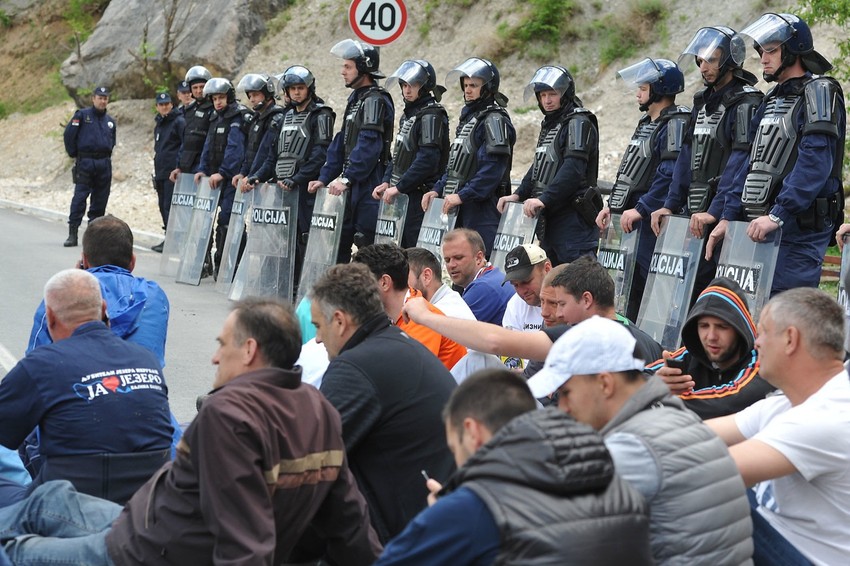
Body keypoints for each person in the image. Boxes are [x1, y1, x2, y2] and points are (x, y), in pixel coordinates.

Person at [0, 298, 382, 565]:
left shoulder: (230, 416)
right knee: (50, 498)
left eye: (221, 345)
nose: (215, 357)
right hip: (147, 524)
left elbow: (243, 542)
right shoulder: (319, 410)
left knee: (16, 552)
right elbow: (349, 521)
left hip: (144, 551)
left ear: (249, 350)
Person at [527, 316, 753, 564]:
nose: (562, 408)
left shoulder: (632, 447)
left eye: (566, 393)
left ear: (604, 383)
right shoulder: (667, 415)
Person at [375, 369, 652, 565]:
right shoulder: (617, 484)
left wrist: (442, 515)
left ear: (472, 433)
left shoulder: (470, 508)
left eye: (454, 448)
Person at [309, 263, 457, 542]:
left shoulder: (355, 366)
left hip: (404, 537)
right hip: (435, 515)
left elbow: (312, 462)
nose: (317, 338)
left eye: (318, 326)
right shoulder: (396, 344)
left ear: (339, 321)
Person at [0, 269, 173, 504]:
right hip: (147, 508)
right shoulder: (146, 359)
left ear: (50, 317)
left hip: (66, 512)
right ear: (103, 309)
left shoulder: (41, 364)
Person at [707, 288, 850, 565]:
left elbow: (709, 472)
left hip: (806, 558)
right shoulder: (785, 403)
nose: (756, 343)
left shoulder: (829, 415)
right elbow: (696, 437)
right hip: (779, 541)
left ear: (790, 339)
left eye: (762, 332)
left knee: (699, 492)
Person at [706, 13, 845, 295]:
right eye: (760, 51)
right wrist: (727, 217)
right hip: (760, 224)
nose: (762, 58)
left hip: (798, 232)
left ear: (793, 49)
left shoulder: (820, 92)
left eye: (770, 50)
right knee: (746, 316)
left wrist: (779, 214)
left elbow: (815, 164)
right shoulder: (771, 99)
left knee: (784, 314)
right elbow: (749, 163)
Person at [649, 27, 763, 298]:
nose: (703, 66)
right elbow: (686, 155)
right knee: (681, 295)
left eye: (711, 59)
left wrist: (718, 211)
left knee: (713, 295)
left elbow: (741, 161)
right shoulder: (701, 100)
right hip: (694, 213)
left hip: (724, 215)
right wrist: (670, 204)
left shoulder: (747, 101)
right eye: (700, 60)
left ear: (730, 59)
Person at [595, 58, 690, 321]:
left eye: (643, 88)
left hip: (652, 223)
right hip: (632, 222)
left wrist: (641, 208)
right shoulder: (646, 123)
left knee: (656, 292)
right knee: (631, 291)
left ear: (659, 89)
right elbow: (629, 170)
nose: (637, 93)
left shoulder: (676, 122)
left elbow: (668, 175)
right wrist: (611, 207)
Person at [28, 215, 170, 368]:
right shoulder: (155, 295)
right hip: (146, 389)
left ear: (84, 260)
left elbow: (34, 362)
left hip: (78, 388)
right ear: (133, 261)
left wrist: (74, 283)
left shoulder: (63, 294)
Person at [498, 65, 600, 265]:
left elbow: (573, 169)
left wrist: (544, 199)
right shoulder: (552, 123)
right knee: (553, 286)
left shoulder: (578, 122)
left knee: (578, 283)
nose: (547, 100)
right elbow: (539, 166)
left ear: (565, 93)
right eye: (542, 95)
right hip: (550, 218)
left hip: (574, 220)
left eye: (552, 94)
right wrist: (518, 194)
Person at [308, 39, 395, 263]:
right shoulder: (356, 99)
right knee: (339, 242)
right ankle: (343, 294)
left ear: (363, 68)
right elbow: (341, 142)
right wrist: (325, 177)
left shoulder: (375, 99)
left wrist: (347, 179)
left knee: (368, 247)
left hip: (369, 182)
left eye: (348, 67)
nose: (342, 72)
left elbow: (369, 144)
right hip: (353, 182)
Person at [248, 65, 335, 281]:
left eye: (300, 88)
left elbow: (320, 153)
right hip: (282, 187)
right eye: (292, 88)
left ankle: (302, 283)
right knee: (278, 237)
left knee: (303, 237)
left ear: (309, 88)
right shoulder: (284, 117)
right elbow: (273, 155)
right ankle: (278, 281)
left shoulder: (320, 114)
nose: (296, 92)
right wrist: (258, 175)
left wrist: (298, 178)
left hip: (304, 190)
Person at [423, 57, 516, 258]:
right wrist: (437, 189)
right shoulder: (471, 118)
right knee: (462, 271)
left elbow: (492, 171)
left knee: (481, 268)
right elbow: (456, 164)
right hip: (462, 206)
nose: (468, 90)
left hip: (484, 210)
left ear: (488, 87)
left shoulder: (494, 119)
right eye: (465, 85)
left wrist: (463, 195)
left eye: (473, 85)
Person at [648, 277, 773, 419]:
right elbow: (636, 377)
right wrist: (656, 383)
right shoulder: (692, 353)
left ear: (740, 330)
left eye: (722, 327)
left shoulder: (761, 362)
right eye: (704, 326)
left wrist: (659, 400)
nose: (711, 336)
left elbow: (727, 403)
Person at [352, 243, 466, 370]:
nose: (355, 290)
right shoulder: (408, 303)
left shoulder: (421, 321)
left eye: (360, 282)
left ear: (384, 282)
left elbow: (406, 376)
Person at [373, 59, 449, 247]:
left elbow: (427, 160)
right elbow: (399, 154)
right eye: (404, 85)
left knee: (416, 255)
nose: (407, 90)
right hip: (404, 195)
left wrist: (398, 187)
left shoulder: (431, 115)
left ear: (424, 87)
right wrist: (386, 180)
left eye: (413, 85)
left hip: (420, 197)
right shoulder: (411, 114)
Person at [194, 77, 253, 278]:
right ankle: (216, 264)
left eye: (221, 98)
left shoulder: (238, 117)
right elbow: (208, 146)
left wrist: (223, 172)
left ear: (229, 97)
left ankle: (233, 265)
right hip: (214, 178)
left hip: (231, 179)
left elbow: (235, 150)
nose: (218, 102)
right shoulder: (214, 118)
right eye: (215, 98)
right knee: (207, 221)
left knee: (229, 220)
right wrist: (202, 169)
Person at [62, 85, 117, 247]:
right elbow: (69, 135)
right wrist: (74, 154)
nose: (102, 101)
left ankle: (94, 237)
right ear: (93, 99)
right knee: (80, 197)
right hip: (85, 163)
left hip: (104, 164)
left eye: (105, 98)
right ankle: (73, 234)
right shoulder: (82, 115)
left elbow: (112, 141)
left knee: (100, 200)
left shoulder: (110, 122)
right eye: (99, 98)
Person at [441, 228, 514, 324]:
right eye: (447, 260)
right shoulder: (492, 276)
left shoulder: (484, 287)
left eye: (458, 258)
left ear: (479, 258)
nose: (451, 265)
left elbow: (446, 331)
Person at [500, 243, 551, 369]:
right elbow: (511, 358)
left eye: (526, 282)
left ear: (547, 269)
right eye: (515, 285)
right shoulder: (515, 304)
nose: (522, 291)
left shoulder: (569, 299)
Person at [233, 73, 285, 192]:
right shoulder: (256, 118)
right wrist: (243, 173)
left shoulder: (275, 118)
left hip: (265, 182)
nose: (251, 99)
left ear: (267, 94)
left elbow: (265, 153)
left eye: (255, 95)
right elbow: (250, 151)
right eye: (249, 95)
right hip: (254, 180)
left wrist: (253, 176)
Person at [151, 92, 186, 253]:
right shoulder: (159, 123)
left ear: (171, 104)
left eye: (167, 104)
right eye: (161, 104)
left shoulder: (179, 121)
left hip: (172, 172)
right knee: (163, 206)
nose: (164, 107)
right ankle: (169, 238)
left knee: (170, 207)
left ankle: (175, 241)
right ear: (157, 106)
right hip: (161, 171)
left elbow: (184, 145)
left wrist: (179, 166)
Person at [169, 65, 214, 180]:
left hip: (205, 170)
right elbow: (186, 141)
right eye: (195, 88)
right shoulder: (189, 111)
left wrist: (203, 169)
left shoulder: (214, 110)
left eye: (202, 87)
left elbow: (210, 143)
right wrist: (179, 166)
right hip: (188, 169)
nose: (199, 91)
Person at [406, 246, 476, 320]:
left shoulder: (442, 314)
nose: (399, 286)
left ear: (426, 276)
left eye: (404, 278)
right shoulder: (444, 302)